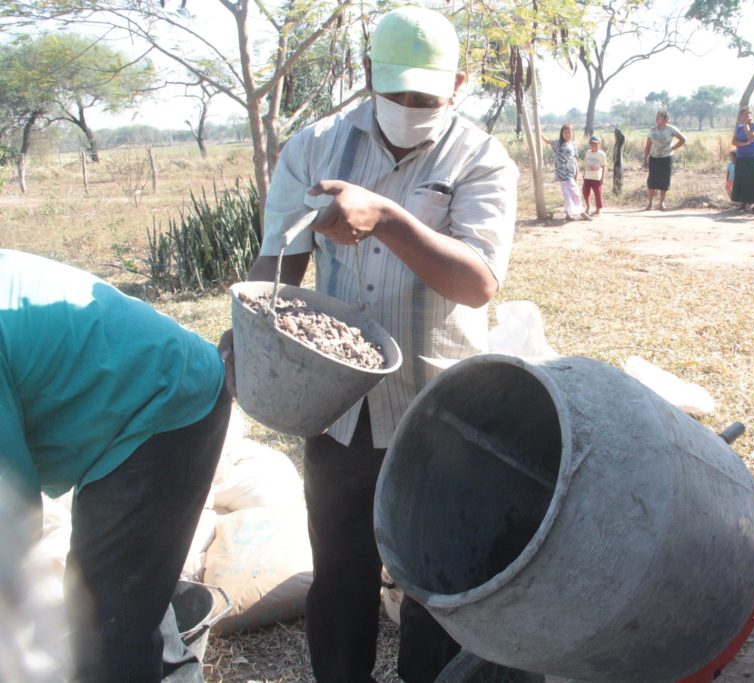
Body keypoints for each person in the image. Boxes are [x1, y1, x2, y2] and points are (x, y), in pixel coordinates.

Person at [219, 6, 518, 682]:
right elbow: (279, 267)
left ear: (459, 84)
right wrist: (248, 333)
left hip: (440, 409)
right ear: (366, 77)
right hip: (339, 405)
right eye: (396, 93)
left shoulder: (481, 159)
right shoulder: (314, 148)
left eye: (426, 97)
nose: (410, 107)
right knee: (342, 574)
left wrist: (385, 218)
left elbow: (477, 282)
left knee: (435, 579)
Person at [0, 248, 231, 683]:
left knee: (103, 624)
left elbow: (12, 515)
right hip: (144, 391)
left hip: (163, 404)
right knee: (125, 585)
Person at [542, 123, 591, 221]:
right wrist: (539, 132)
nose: (567, 134)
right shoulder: (558, 143)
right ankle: (581, 212)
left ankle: (569, 214)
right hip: (563, 173)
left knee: (569, 193)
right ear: (562, 133)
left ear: (572, 133)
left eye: (569, 132)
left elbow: (575, 159)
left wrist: (577, 171)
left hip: (571, 172)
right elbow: (547, 141)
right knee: (574, 192)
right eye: (565, 132)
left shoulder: (573, 145)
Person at [641, 110, 686, 211]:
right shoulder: (652, 130)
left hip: (666, 158)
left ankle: (661, 203)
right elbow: (648, 146)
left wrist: (673, 147)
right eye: (656, 116)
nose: (657, 119)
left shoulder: (671, 129)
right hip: (654, 158)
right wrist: (645, 159)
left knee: (664, 181)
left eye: (659, 117)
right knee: (651, 181)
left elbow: (683, 139)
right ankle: (650, 203)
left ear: (665, 119)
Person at [731, 107, 754, 212]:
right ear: (741, 116)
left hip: (752, 156)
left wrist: (746, 126)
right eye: (744, 114)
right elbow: (734, 141)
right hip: (741, 156)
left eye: (749, 114)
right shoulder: (738, 128)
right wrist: (744, 144)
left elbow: (751, 137)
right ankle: (744, 203)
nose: (747, 116)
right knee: (742, 179)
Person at [582, 134, 607, 217]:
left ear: (599, 145)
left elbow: (604, 166)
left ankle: (598, 209)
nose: (594, 146)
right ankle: (588, 205)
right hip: (587, 177)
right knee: (585, 192)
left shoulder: (601, 154)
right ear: (590, 145)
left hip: (597, 178)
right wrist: (584, 174)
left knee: (598, 194)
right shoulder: (588, 152)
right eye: (592, 144)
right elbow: (585, 164)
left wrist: (602, 178)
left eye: (596, 144)